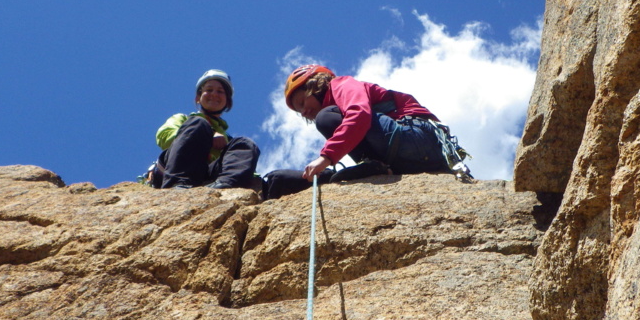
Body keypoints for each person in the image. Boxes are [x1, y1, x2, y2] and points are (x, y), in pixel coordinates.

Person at [261, 64, 469, 199]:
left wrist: (326, 157)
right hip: (420, 153)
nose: (305, 112)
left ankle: (372, 164)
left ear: (315, 85)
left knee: (327, 119)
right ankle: (378, 167)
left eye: (302, 102)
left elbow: (359, 114)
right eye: (299, 111)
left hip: (416, 136)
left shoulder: (341, 84)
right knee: (331, 121)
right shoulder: (336, 106)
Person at [144, 69, 260, 190]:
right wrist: (206, 136)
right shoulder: (184, 120)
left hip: (208, 175)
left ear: (227, 101)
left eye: (220, 91)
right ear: (198, 97)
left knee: (244, 144)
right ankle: (177, 185)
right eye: (209, 90)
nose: (214, 94)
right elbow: (164, 137)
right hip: (178, 170)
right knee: (198, 124)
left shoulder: (227, 139)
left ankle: (224, 186)